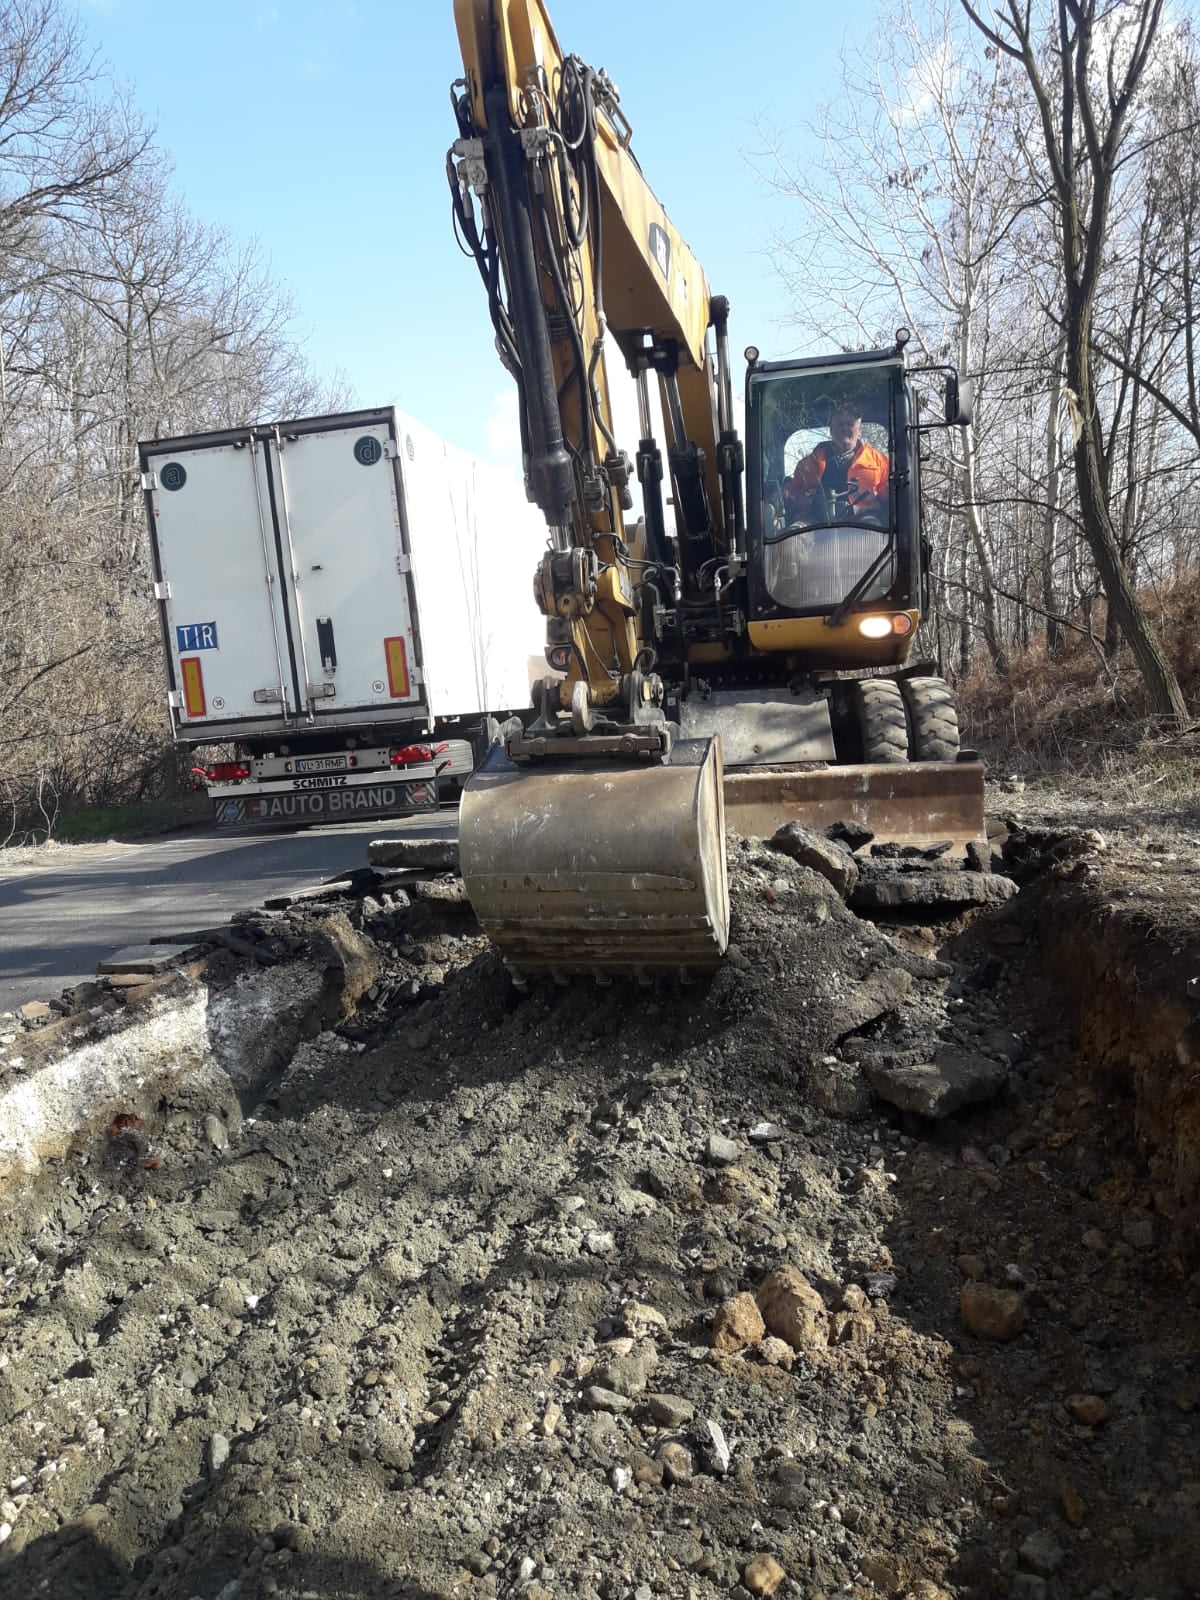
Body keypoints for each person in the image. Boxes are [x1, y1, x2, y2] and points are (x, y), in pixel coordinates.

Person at [784, 402, 889, 521]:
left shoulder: (880, 462)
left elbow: (890, 499)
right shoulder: (807, 465)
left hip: (863, 521)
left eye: (850, 424)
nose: (844, 428)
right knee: (795, 529)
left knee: (873, 524)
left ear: (859, 430)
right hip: (815, 523)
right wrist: (786, 494)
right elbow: (793, 495)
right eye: (840, 424)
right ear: (831, 430)